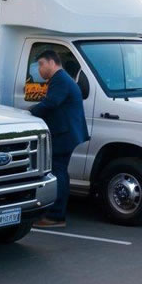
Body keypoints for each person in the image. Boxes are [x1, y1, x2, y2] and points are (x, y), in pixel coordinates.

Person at [29, 50, 89, 229]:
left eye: (41, 64)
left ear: (51, 62)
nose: (39, 69)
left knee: (58, 172)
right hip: (67, 133)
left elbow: (51, 103)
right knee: (60, 171)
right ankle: (56, 213)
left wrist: (29, 112)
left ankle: (56, 216)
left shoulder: (60, 79)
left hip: (64, 134)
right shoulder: (62, 79)